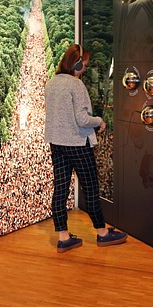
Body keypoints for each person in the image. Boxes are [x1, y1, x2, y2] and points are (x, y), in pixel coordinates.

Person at [44, 43, 127, 252]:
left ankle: (63, 237)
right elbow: (81, 119)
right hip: (78, 144)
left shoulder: (52, 83)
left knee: (60, 189)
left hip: (57, 143)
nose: (85, 68)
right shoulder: (76, 85)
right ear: (77, 63)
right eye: (85, 64)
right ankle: (102, 233)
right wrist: (99, 121)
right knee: (90, 189)